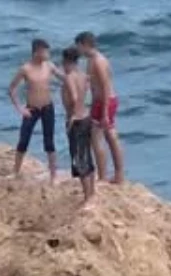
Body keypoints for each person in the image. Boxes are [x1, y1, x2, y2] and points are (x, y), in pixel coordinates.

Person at [75, 32, 125, 184]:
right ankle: (118, 175)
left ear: (85, 44)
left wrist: (103, 113)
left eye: (78, 46)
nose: (78, 50)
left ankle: (104, 176)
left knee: (97, 137)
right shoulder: (92, 60)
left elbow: (104, 86)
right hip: (103, 101)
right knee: (110, 136)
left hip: (105, 102)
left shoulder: (97, 61)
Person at [8, 38, 59, 182]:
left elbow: (64, 78)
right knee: (23, 140)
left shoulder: (49, 66)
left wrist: (80, 79)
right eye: (45, 51)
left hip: (48, 107)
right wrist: (20, 109)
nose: (48, 54)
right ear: (37, 52)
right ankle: (15, 172)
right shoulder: (26, 69)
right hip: (31, 109)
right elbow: (11, 89)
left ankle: (53, 175)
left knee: (49, 141)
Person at [60, 46, 96, 206]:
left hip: (77, 121)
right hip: (87, 117)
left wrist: (73, 116)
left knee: (79, 159)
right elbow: (87, 95)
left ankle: (88, 198)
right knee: (87, 155)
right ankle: (92, 192)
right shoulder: (83, 76)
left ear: (66, 61)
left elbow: (74, 98)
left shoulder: (70, 77)